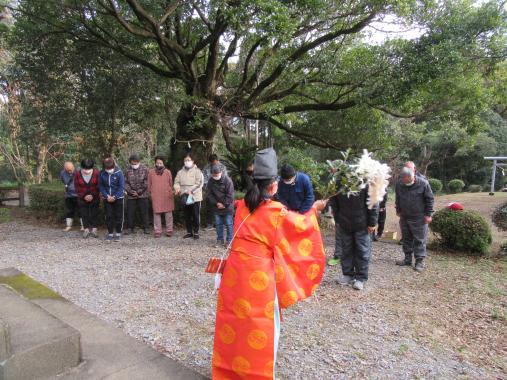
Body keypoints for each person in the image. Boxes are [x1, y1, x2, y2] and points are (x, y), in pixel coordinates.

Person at [212, 148, 327, 379]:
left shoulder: (241, 206)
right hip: (259, 275)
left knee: (233, 323)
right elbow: (302, 229)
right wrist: (313, 210)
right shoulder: (277, 212)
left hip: (234, 273)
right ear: (274, 186)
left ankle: (228, 373)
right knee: (260, 326)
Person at [330, 185, 378, 291]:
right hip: (344, 222)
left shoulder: (365, 182)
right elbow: (333, 201)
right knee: (346, 249)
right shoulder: (339, 182)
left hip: (362, 223)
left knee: (362, 251)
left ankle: (361, 278)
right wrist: (338, 219)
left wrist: (372, 222)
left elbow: (373, 202)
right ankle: (348, 274)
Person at [395, 164, 434, 272]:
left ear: (413, 177)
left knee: (419, 240)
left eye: (407, 180)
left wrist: (428, 214)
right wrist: (398, 210)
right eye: (404, 180)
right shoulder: (399, 184)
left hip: (419, 217)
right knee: (406, 238)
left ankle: (419, 261)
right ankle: (407, 259)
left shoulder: (423, 183)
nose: (405, 182)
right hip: (405, 216)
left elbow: (430, 199)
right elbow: (398, 197)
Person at [174, 153, 203, 239]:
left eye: (189, 160)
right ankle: (189, 231)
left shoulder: (198, 171)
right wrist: (177, 188)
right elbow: (176, 182)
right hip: (184, 196)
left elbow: (199, 183)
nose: (187, 162)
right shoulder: (180, 172)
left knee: (195, 215)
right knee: (187, 215)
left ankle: (196, 232)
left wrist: (190, 191)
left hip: (195, 197)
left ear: (193, 161)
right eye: (185, 160)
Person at [206, 165, 234, 246]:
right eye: (214, 175)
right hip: (217, 206)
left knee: (229, 224)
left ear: (221, 172)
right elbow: (209, 194)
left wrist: (224, 204)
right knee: (218, 224)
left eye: (217, 174)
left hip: (227, 206)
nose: (215, 176)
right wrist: (216, 203)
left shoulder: (228, 181)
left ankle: (229, 241)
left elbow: (230, 195)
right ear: (211, 174)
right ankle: (219, 239)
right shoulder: (211, 181)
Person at [99, 157, 125, 242]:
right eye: (107, 168)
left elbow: (121, 187)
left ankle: (118, 233)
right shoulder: (102, 173)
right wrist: (107, 196)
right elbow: (101, 186)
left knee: (119, 216)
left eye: (110, 168)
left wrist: (115, 197)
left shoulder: (119, 173)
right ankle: (110, 233)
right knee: (109, 216)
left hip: (118, 198)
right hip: (107, 198)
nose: (109, 170)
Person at [148, 156, 175, 238]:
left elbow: (171, 183)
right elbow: (149, 184)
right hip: (156, 194)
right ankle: (157, 231)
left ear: (163, 163)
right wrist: (150, 193)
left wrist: (170, 191)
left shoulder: (167, 172)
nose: (159, 164)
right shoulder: (151, 172)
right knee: (156, 213)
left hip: (167, 194)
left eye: (160, 163)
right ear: (155, 163)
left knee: (168, 213)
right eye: (157, 163)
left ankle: (169, 230)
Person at [124, 154, 150, 235]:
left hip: (143, 194)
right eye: (133, 163)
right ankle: (130, 228)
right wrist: (131, 192)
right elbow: (125, 182)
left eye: (136, 163)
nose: (134, 165)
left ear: (139, 162)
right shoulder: (127, 170)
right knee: (130, 212)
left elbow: (147, 181)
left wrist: (139, 192)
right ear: (130, 163)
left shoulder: (145, 169)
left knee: (144, 211)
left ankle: (146, 227)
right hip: (131, 195)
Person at [74, 159, 100, 238]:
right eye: (85, 169)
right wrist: (84, 196)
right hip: (82, 198)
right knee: (84, 214)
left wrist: (92, 195)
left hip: (95, 197)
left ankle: (94, 230)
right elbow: (77, 187)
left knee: (94, 213)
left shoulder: (97, 173)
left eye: (89, 169)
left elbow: (99, 186)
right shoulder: (77, 174)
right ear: (82, 167)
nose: (87, 171)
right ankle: (86, 230)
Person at [202, 154, 228, 230]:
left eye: (215, 162)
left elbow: (225, 179)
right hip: (210, 189)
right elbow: (203, 179)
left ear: (217, 160)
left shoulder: (222, 167)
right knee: (209, 207)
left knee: (221, 207)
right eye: (212, 163)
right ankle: (209, 224)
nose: (213, 164)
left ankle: (221, 224)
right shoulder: (207, 167)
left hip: (220, 190)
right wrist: (207, 187)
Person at [59, 161, 83, 232]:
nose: (69, 171)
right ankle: (68, 226)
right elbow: (62, 181)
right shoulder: (62, 173)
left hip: (79, 195)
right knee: (69, 211)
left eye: (70, 169)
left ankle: (83, 226)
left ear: (73, 167)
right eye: (67, 170)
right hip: (68, 195)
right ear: (65, 168)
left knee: (81, 211)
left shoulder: (79, 172)